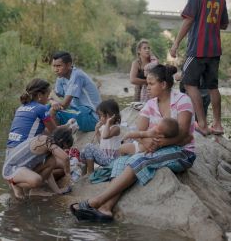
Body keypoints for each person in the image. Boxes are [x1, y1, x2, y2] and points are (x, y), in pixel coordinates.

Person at [70, 64, 196, 222]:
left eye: (151, 84)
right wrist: (148, 140)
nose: (147, 87)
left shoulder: (182, 100)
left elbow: (183, 135)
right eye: (147, 83)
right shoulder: (150, 104)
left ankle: (96, 201)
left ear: (163, 84)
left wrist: (156, 144)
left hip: (182, 152)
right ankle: (106, 209)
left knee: (139, 159)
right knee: (121, 161)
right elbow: (139, 133)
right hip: (154, 149)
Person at [170, 0, 228, 136]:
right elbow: (224, 24)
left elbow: (188, 20)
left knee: (189, 83)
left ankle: (202, 124)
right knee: (212, 86)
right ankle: (217, 125)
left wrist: (176, 43)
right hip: (215, 49)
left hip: (197, 49)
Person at [2, 78, 74, 199]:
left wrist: (50, 103)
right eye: (47, 95)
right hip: (23, 154)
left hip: (11, 155)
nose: (48, 98)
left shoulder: (22, 107)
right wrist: (68, 127)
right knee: (60, 165)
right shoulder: (41, 109)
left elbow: (44, 131)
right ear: (40, 95)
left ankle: (28, 184)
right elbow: (55, 132)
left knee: (51, 160)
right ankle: (33, 187)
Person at [52, 51, 102, 132]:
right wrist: (53, 100)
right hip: (79, 111)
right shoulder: (61, 77)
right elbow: (53, 97)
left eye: (58, 66)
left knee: (54, 112)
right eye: (54, 66)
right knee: (48, 108)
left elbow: (64, 104)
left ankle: (57, 136)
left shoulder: (77, 75)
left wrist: (53, 96)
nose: (55, 70)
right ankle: (55, 135)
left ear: (68, 65)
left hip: (93, 117)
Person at [80, 99, 122, 174]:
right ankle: (84, 172)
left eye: (103, 116)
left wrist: (108, 122)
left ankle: (90, 172)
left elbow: (105, 136)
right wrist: (97, 130)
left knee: (89, 146)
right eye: (100, 116)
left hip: (112, 160)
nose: (101, 118)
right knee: (84, 151)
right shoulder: (104, 127)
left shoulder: (116, 128)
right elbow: (101, 142)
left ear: (111, 115)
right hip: (105, 157)